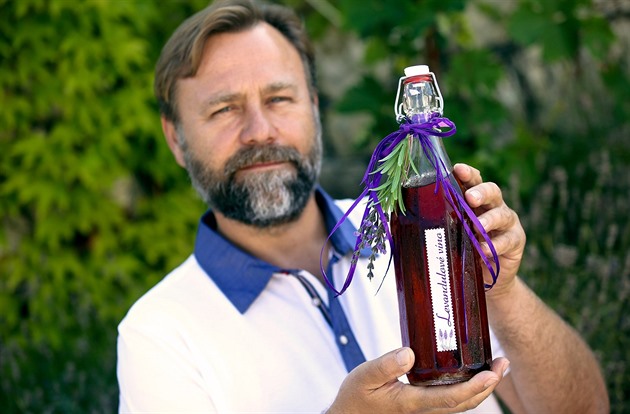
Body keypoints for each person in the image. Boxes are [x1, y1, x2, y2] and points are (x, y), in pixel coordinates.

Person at [116, 0, 609, 412]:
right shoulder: (159, 333)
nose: (259, 131)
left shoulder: (413, 226)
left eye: (279, 98)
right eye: (224, 109)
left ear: (314, 106)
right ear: (176, 138)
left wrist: (503, 293)